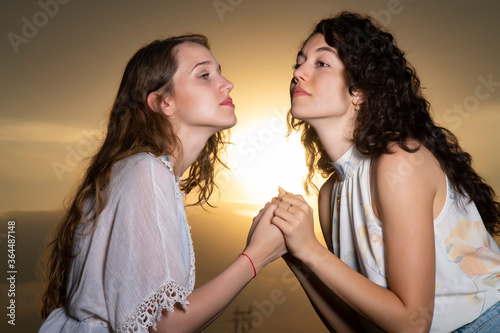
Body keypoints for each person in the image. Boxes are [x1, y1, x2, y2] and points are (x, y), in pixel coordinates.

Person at [268, 12, 500, 332]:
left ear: (359, 91)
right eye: (299, 62)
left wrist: (311, 249)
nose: (298, 73)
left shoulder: (398, 162)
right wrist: (297, 256)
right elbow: (353, 327)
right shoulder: (329, 195)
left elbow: (411, 324)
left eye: (321, 64)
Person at [39, 34, 286, 333]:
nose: (227, 83)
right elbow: (167, 326)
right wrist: (257, 255)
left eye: (219, 71)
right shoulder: (146, 171)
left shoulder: (145, 170)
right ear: (162, 102)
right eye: (204, 75)